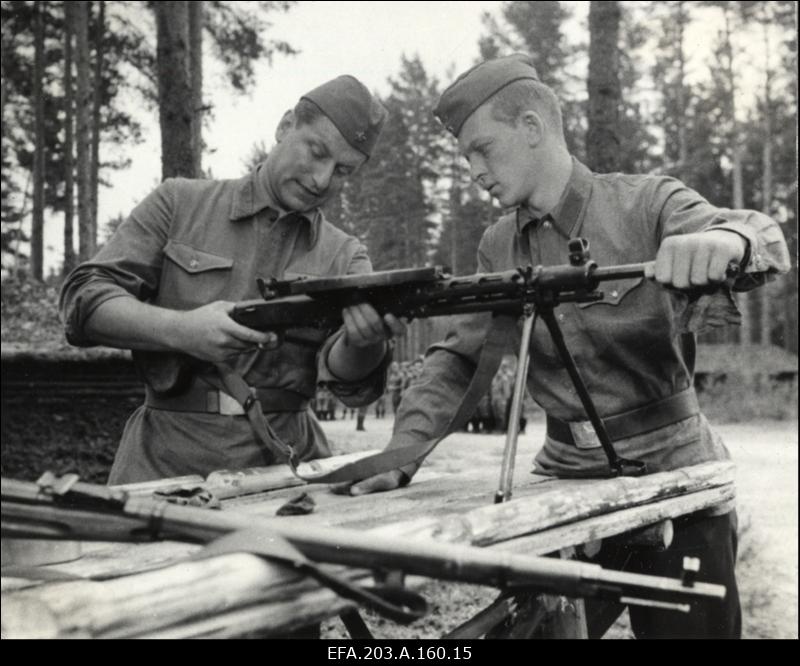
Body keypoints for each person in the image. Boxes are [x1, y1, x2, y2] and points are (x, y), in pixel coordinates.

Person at [346, 55, 791, 639]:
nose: (474, 169)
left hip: (674, 478)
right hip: (564, 486)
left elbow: (761, 236)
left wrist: (723, 242)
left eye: (482, 148)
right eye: (465, 157)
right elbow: (459, 359)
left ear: (531, 128)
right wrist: (399, 455)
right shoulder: (497, 244)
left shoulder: (646, 203)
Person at [60, 75, 406, 485]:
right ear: (285, 125)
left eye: (343, 171)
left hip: (287, 468)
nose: (321, 180)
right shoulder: (179, 204)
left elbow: (355, 387)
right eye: (316, 152)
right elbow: (82, 300)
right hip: (166, 462)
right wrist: (182, 330)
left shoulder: (346, 255)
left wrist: (361, 344)